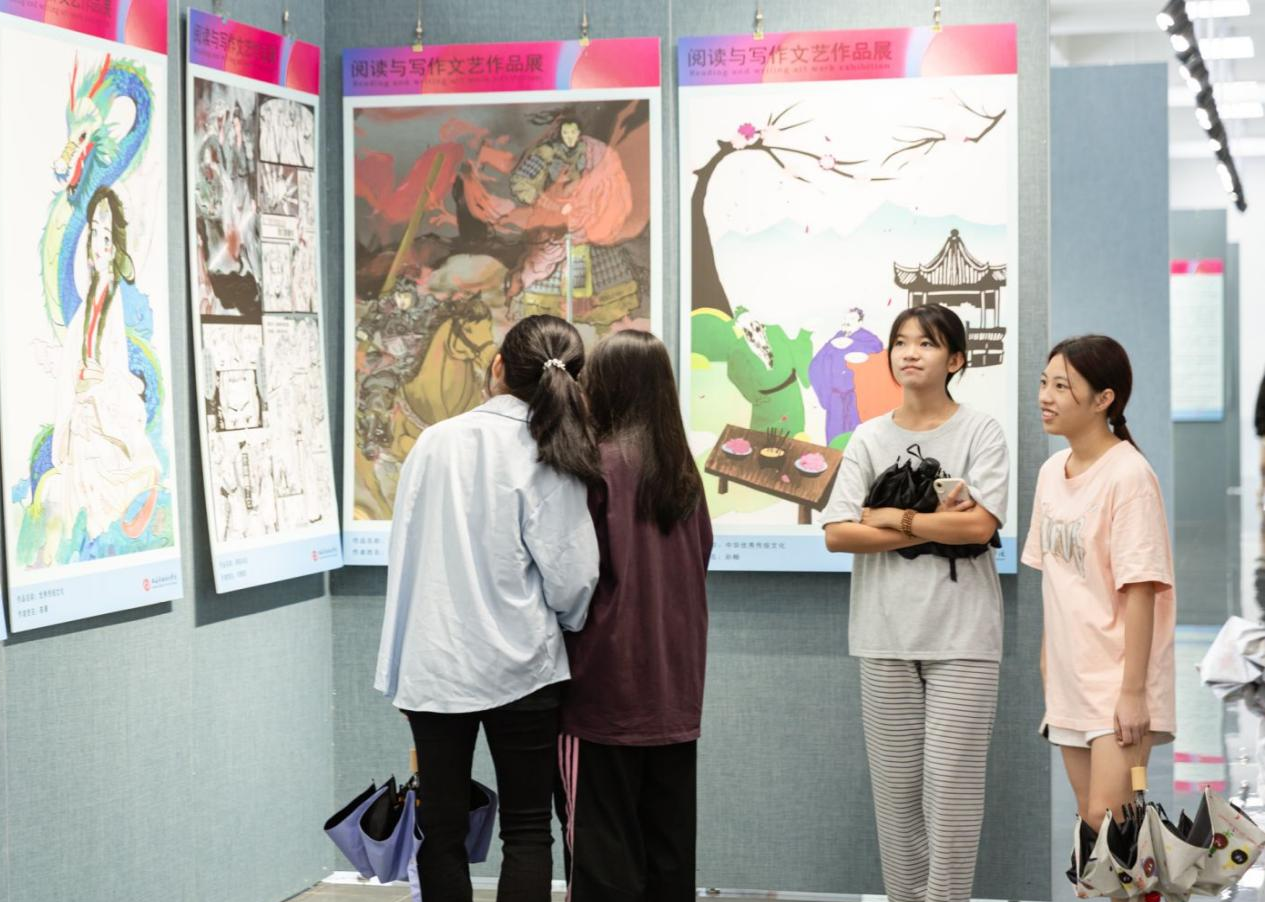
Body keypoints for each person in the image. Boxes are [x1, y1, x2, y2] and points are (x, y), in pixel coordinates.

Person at [375, 314, 602, 902]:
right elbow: (574, 577)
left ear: (498, 367)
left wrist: (401, 664)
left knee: (441, 828)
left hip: (434, 666)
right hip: (523, 668)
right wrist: (568, 624)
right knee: (526, 828)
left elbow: (405, 553)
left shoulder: (433, 441)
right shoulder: (549, 450)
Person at [821, 303, 1009, 902]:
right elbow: (838, 533)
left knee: (951, 790)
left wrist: (893, 517)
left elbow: (980, 528)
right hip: (883, 635)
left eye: (926, 343)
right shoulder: (870, 436)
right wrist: (936, 525)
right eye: (901, 342)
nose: (909, 353)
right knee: (897, 793)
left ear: (955, 360)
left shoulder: (981, 431)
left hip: (964, 638)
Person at [559, 330, 713, 902]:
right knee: (668, 858)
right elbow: (700, 561)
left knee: (601, 861)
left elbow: (571, 580)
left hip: (603, 694)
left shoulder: (594, 469)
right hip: (675, 693)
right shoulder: (683, 474)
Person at [1024, 335, 1175, 852]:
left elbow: (1142, 589)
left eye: (1061, 386)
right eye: (1044, 383)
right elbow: (1057, 580)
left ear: (1103, 399)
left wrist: (1133, 693)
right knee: (1094, 834)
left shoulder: (1129, 474)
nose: (1045, 397)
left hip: (1118, 680)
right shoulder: (1051, 473)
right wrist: (1048, 663)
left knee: (1112, 826)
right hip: (1070, 677)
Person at [809, 306, 885, 444]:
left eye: (851, 318)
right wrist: (826, 394)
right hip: (835, 397)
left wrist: (853, 344)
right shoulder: (838, 337)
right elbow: (818, 362)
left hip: (855, 396)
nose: (846, 321)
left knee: (855, 433)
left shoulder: (869, 339)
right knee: (834, 434)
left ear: (860, 322)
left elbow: (877, 353)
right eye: (845, 318)